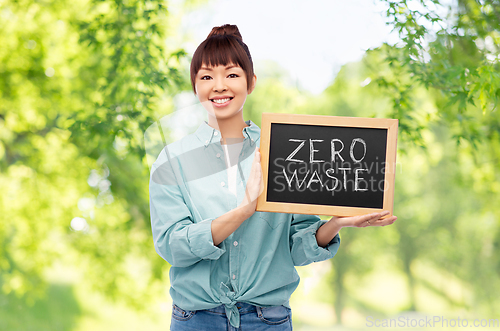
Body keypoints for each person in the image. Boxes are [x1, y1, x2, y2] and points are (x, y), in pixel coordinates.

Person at [149, 24, 397, 331]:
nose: (219, 85)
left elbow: (296, 247)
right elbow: (172, 245)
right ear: (195, 86)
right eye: (206, 76)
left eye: (232, 74)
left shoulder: (283, 148)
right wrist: (243, 211)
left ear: (251, 82)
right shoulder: (173, 161)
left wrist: (336, 222)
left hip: (267, 321)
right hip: (195, 320)